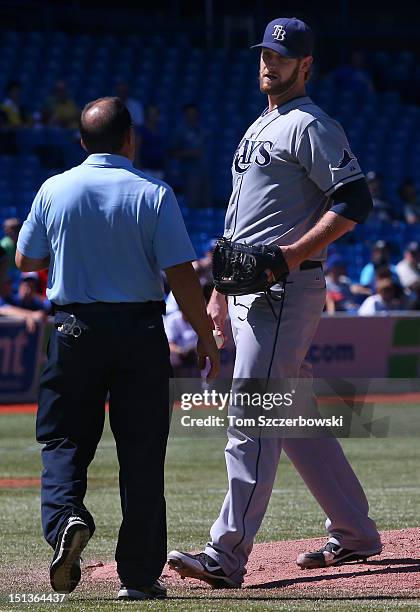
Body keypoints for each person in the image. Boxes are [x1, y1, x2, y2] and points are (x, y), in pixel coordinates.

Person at [168, 17, 382, 588]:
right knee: (297, 419)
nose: (269, 63)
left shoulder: (312, 125)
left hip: (284, 290)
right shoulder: (263, 123)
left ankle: (226, 553)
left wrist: (289, 255)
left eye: (282, 56)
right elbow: (243, 220)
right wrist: (217, 291)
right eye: (265, 53)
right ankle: (356, 531)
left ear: (304, 65)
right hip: (249, 290)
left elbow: (356, 201)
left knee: (253, 417)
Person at [15, 96, 220, 600]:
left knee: (63, 442)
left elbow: (24, 258)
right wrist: (205, 332)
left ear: (82, 142)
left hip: (73, 330)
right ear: (132, 138)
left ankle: (68, 518)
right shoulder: (154, 192)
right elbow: (180, 273)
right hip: (140, 334)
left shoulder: (54, 188)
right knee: (142, 453)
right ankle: (139, 575)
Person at [171, 103, 212, 208]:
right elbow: (172, 153)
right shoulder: (179, 131)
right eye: (189, 113)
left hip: (204, 171)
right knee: (192, 203)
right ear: (185, 115)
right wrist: (190, 153)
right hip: (189, 172)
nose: (192, 115)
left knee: (206, 203)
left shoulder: (202, 129)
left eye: (194, 113)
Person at [137, 104, 166, 179]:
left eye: (155, 113)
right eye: (151, 114)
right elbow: (137, 149)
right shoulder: (141, 130)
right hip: (145, 169)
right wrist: (139, 168)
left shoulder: (161, 130)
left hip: (159, 169)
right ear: (147, 115)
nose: (153, 116)